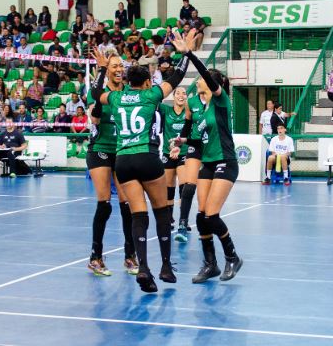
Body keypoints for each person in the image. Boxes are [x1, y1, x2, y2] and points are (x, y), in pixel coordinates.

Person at [90, 32, 190, 292]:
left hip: (123, 160)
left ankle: (143, 267)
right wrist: (186, 54)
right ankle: (165, 266)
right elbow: (176, 77)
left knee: (138, 214)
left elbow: (95, 93)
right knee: (161, 211)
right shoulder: (151, 96)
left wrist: (101, 71)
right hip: (146, 157)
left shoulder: (117, 98)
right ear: (147, 83)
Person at [172, 35, 245, 284]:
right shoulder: (200, 108)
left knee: (212, 215)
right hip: (209, 163)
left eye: (203, 78)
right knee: (201, 216)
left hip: (226, 161)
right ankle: (210, 265)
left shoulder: (221, 101)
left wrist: (189, 54)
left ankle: (232, 257)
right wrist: (182, 142)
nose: (198, 81)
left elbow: (206, 73)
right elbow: (196, 137)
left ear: (212, 83)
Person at [84, 51, 137, 276]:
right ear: (107, 70)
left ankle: (130, 256)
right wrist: (100, 69)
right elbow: (94, 119)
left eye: (120, 66)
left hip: (122, 151)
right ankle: (95, 257)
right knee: (104, 203)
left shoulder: (127, 93)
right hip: (101, 151)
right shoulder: (98, 93)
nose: (118, 69)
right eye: (114, 66)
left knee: (127, 206)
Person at [158, 86, 194, 243]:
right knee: (168, 188)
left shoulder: (189, 112)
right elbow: (154, 100)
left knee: (184, 186)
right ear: (173, 96)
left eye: (184, 93)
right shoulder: (166, 110)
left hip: (183, 153)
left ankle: (183, 221)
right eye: (178, 93)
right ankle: (169, 219)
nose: (181, 95)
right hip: (168, 152)